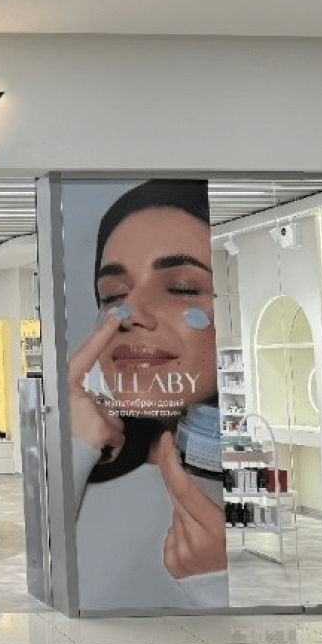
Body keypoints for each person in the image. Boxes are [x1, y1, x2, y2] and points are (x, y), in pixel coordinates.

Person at [68, 179, 228, 609]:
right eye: (114, 295)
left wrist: (215, 583)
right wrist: (69, 445)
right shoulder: (86, 468)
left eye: (182, 287)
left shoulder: (260, 475)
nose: (129, 314)